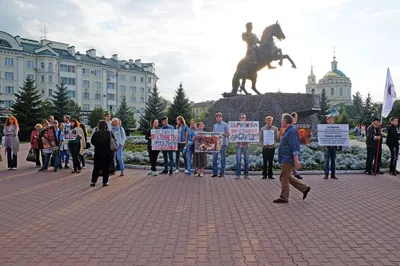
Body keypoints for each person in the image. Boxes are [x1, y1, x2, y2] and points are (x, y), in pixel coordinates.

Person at [273, 113, 310, 204]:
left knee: (283, 177)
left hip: (288, 158)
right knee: (287, 176)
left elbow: (295, 146)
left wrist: (296, 159)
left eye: (282, 120)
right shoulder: (289, 130)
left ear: (285, 121)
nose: (281, 122)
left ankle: (284, 197)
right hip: (286, 158)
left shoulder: (292, 131)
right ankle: (304, 188)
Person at [90, 120, 113, 187]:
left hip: (98, 152)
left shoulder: (96, 133)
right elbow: (110, 141)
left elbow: (92, 141)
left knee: (96, 167)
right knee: (106, 168)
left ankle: (93, 181)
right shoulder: (108, 133)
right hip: (106, 152)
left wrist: (97, 145)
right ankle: (105, 182)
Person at [212, 112, 229, 177]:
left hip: (223, 144)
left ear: (222, 117)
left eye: (219, 117)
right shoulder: (215, 125)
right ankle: (215, 173)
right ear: (216, 118)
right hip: (216, 144)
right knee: (214, 159)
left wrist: (222, 134)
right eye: (217, 117)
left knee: (222, 159)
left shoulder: (225, 125)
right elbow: (213, 134)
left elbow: (228, 134)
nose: (218, 118)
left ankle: (222, 173)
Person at [235, 113, 250, 179]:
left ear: (245, 118)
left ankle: (246, 174)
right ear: (239, 118)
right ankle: (238, 174)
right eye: (241, 117)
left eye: (244, 117)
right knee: (238, 160)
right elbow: (233, 133)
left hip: (246, 145)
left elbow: (252, 133)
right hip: (238, 145)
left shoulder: (248, 126)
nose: (243, 119)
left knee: (246, 160)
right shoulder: (236, 126)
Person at [290, 112, 303, 179]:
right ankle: (294, 173)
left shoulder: (296, 126)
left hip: (295, 144)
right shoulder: (290, 126)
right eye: (295, 117)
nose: (296, 119)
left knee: (294, 158)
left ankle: (295, 172)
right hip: (291, 145)